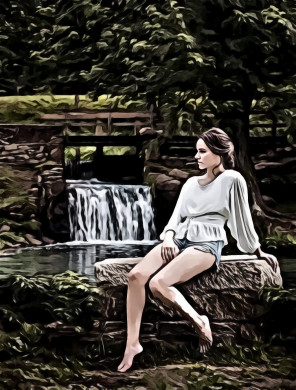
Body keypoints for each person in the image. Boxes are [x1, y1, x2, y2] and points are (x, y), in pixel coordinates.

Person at [117, 127, 278, 373]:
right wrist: (169, 238)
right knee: (136, 276)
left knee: (158, 283)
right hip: (179, 239)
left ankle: (200, 322)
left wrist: (257, 251)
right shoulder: (191, 183)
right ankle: (133, 344)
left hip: (207, 244)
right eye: (197, 151)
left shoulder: (233, 180)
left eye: (202, 151)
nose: (197, 156)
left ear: (219, 153)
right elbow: (175, 219)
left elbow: (241, 221)